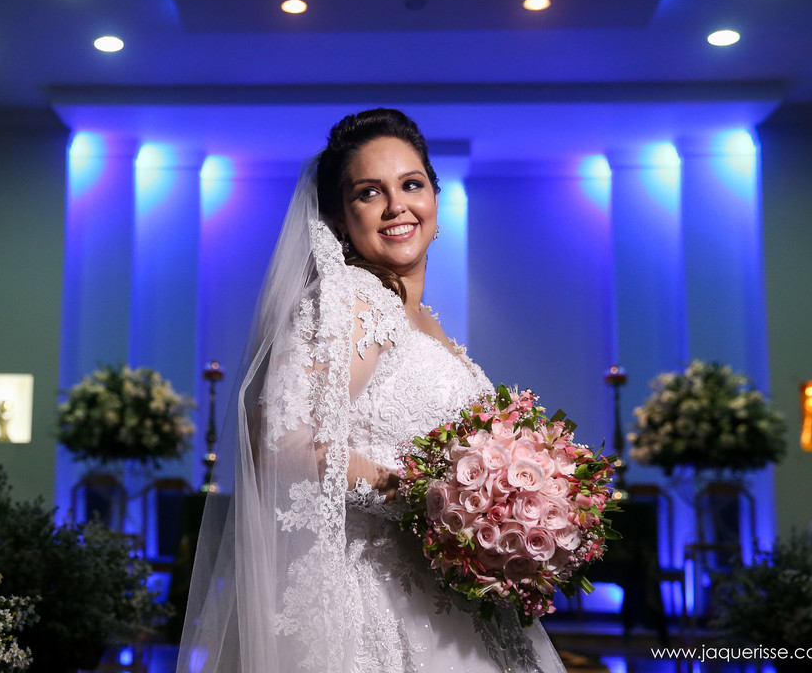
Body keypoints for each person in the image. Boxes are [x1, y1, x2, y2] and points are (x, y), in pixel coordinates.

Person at [177, 109, 566, 673]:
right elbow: (281, 443)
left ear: (435, 197)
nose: (396, 206)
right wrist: (431, 502)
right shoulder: (350, 300)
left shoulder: (425, 321)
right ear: (339, 218)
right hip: (377, 604)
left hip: (448, 601)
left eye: (411, 184)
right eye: (369, 192)